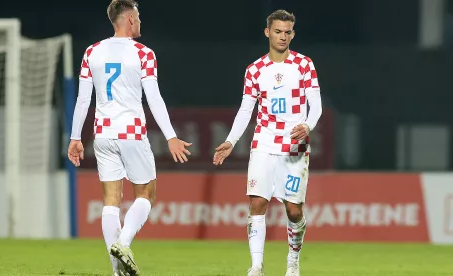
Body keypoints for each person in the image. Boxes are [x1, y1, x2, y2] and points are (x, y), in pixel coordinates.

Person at [67, 0, 192, 275]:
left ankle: (117, 271)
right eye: (138, 17)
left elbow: (82, 99)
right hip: (131, 132)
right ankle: (123, 244)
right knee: (147, 193)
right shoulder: (143, 53)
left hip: (102, 133)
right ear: (131, 19)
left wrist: (76, 137)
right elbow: (154, 98)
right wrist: (171, 135)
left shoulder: (92, 52)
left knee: (111, 200)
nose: (140, 22)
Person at [213, 9, 323, 276]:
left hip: (294, 147)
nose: (282, 36)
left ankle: (293, 262)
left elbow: (316, 105)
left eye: (287, 32)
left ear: (292, 34)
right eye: (277, 31)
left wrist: (307, 125)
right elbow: (245, 110)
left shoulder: (304, 65)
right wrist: (230, 141)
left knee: (293, 210)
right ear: (267, 32)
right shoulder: (255, 69)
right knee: (257, 203)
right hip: (263, 142)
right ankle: (256, 266)